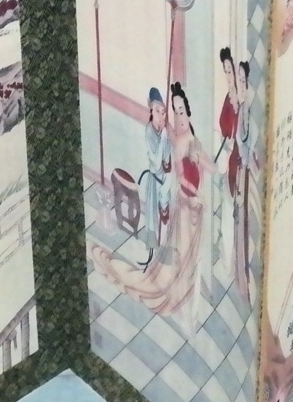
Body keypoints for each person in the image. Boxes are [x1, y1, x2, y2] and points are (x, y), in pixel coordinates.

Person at [91, 82, 214, 336]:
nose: (170, 116)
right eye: (167, 111)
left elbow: (197, 168)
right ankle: (161, 270)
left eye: (175, 111)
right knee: (162, 232)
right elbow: (163, 164)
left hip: (177, 194)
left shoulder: (186, 139)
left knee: (182, 246)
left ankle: (180, 285)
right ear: (151, 111)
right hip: (163, 188)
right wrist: (169, 150)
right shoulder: (155, 134)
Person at [142, 88, 172, 254]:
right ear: (151, 111)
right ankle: (153, 250)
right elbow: (155, 159)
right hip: (154, 178)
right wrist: (163, 139)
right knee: (153, 218)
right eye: (157, 111)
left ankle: (165, 246)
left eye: (163, 112)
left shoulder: (164, 130)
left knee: (166, 208)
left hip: (164, 177)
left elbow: (167, 157)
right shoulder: (149, 131)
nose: (160, 115)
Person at [233, 59, 253, 305]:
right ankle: (240, 278)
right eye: (239, 80)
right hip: (240, 168)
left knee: (244, 223)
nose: (240, 84)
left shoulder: (247, 110)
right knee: (239, 221)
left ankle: (244, 281)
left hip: (246, 172)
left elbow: (246, 142)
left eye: (242, 79)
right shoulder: (241, 107)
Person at [218, 47, 239, 273]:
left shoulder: (240, 101)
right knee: (226, 206)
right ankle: (226, 255)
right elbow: (224, 127)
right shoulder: (227, 98)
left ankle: (233, 257)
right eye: (225, 71)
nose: (228, 75)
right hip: (226, 156)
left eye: (229, 70)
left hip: (237, 161)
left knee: (236, 210)